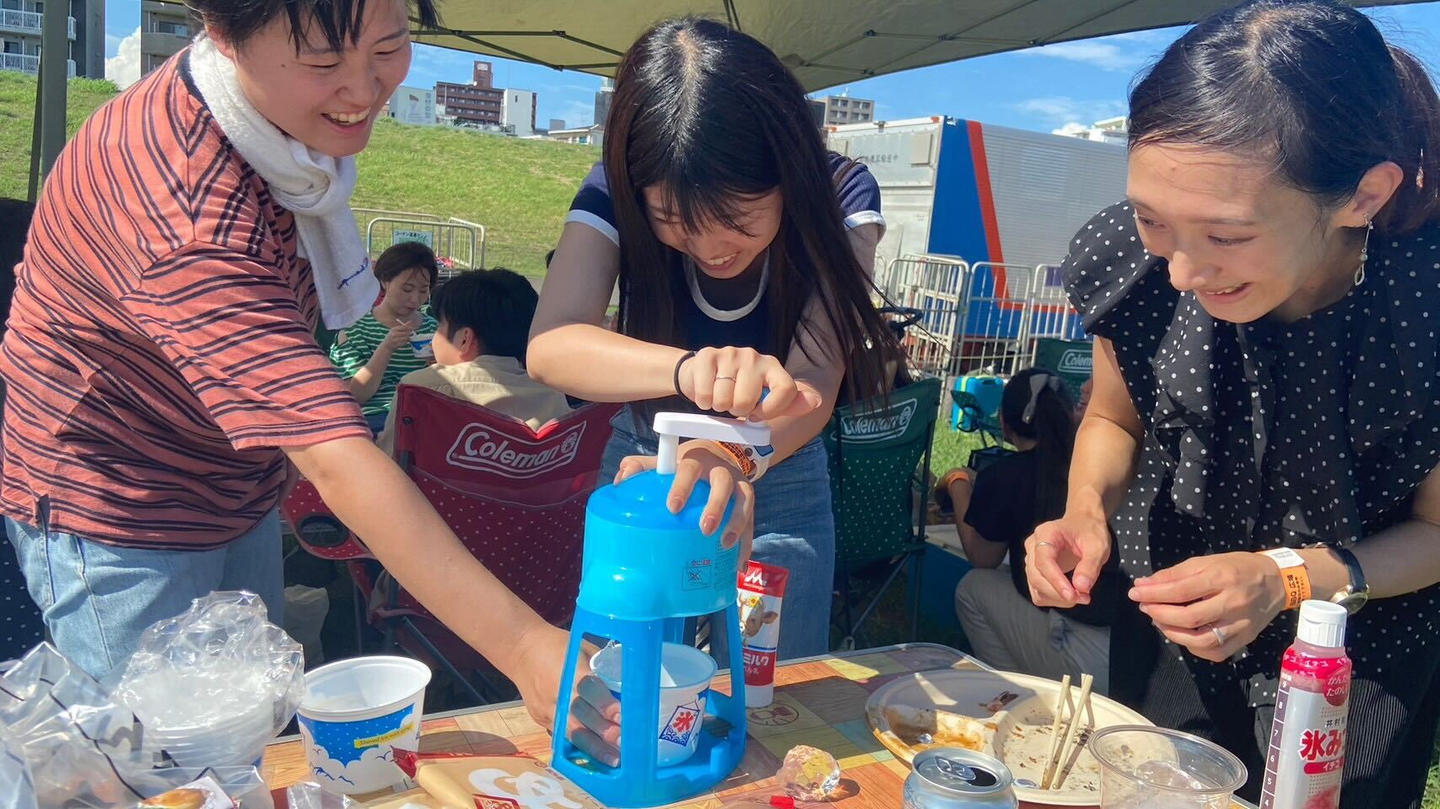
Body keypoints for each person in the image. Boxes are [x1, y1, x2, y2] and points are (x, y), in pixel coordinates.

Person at [0, 0, 613, 755]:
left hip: (238, 479)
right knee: (159, 770)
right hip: (119, 506)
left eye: (388, 46)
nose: (362, 90)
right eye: (324, 61)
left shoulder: (278, 129)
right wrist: (523, 646)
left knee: (250, 738)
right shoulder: (184, 204)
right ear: (221, 34)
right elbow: (334, 458)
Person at [1025, 1, 1440, 805]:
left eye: (1226, 236)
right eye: (1152, 218)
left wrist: (1285, 578)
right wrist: (1084, 509)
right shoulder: (1133, 263)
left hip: (1360, 648)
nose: (1182, 272)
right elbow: (1112, 417)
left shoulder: (1421, 301)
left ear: (1363, 195)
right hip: (1177, 619)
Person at [528, 17, 903, 659]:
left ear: (787, 171)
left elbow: (814, 381)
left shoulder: (840, 194)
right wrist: (690, 371)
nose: (709, 248)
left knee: (770, 690)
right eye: (672, 218)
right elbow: (550, 344)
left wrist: (726, 452)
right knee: (625, 681)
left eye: (737, 217)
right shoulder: (614, 187)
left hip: (779, 469)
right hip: (647, 464)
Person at [941, 370, 1114, 691]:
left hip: (1083, 656)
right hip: (1133, 649)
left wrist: (957, 484)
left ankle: (1016, 692)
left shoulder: (1006, 474)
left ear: (1004, 422)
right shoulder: (1104, 473)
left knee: (973, 587)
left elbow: (983, 557)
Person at [376, 268, 571, 454]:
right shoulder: (553, 394)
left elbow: (390, 457)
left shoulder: (420, 389)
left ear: (464, 339)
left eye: (439, 326)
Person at [330, 241, 440, 433]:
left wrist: (440, 366)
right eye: (407, 289)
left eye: (423, 290)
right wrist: (386, 348)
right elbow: (353, 397)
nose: (415, 299)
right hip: (375, 419)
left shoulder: (435, 329)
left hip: (425, 416)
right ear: (384, 281)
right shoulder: (356, 330)